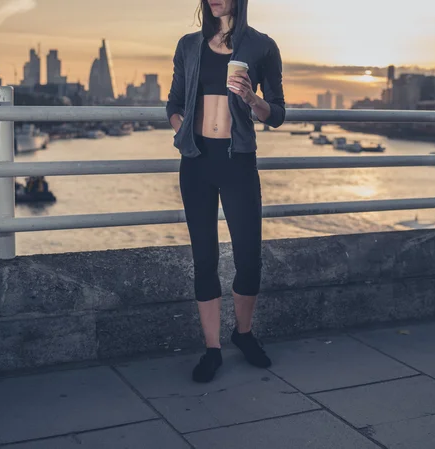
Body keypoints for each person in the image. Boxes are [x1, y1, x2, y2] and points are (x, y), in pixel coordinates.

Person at [167, 0, 286, 383]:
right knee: (204, 259)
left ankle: (244, 333)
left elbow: (278, 113)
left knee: (249, 257)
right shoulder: (188, 45)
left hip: (238, 161)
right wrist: (180, 128)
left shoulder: (261, 46)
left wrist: (252, 99)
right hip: (197, 160)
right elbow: (173, 102)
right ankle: (213, 348)